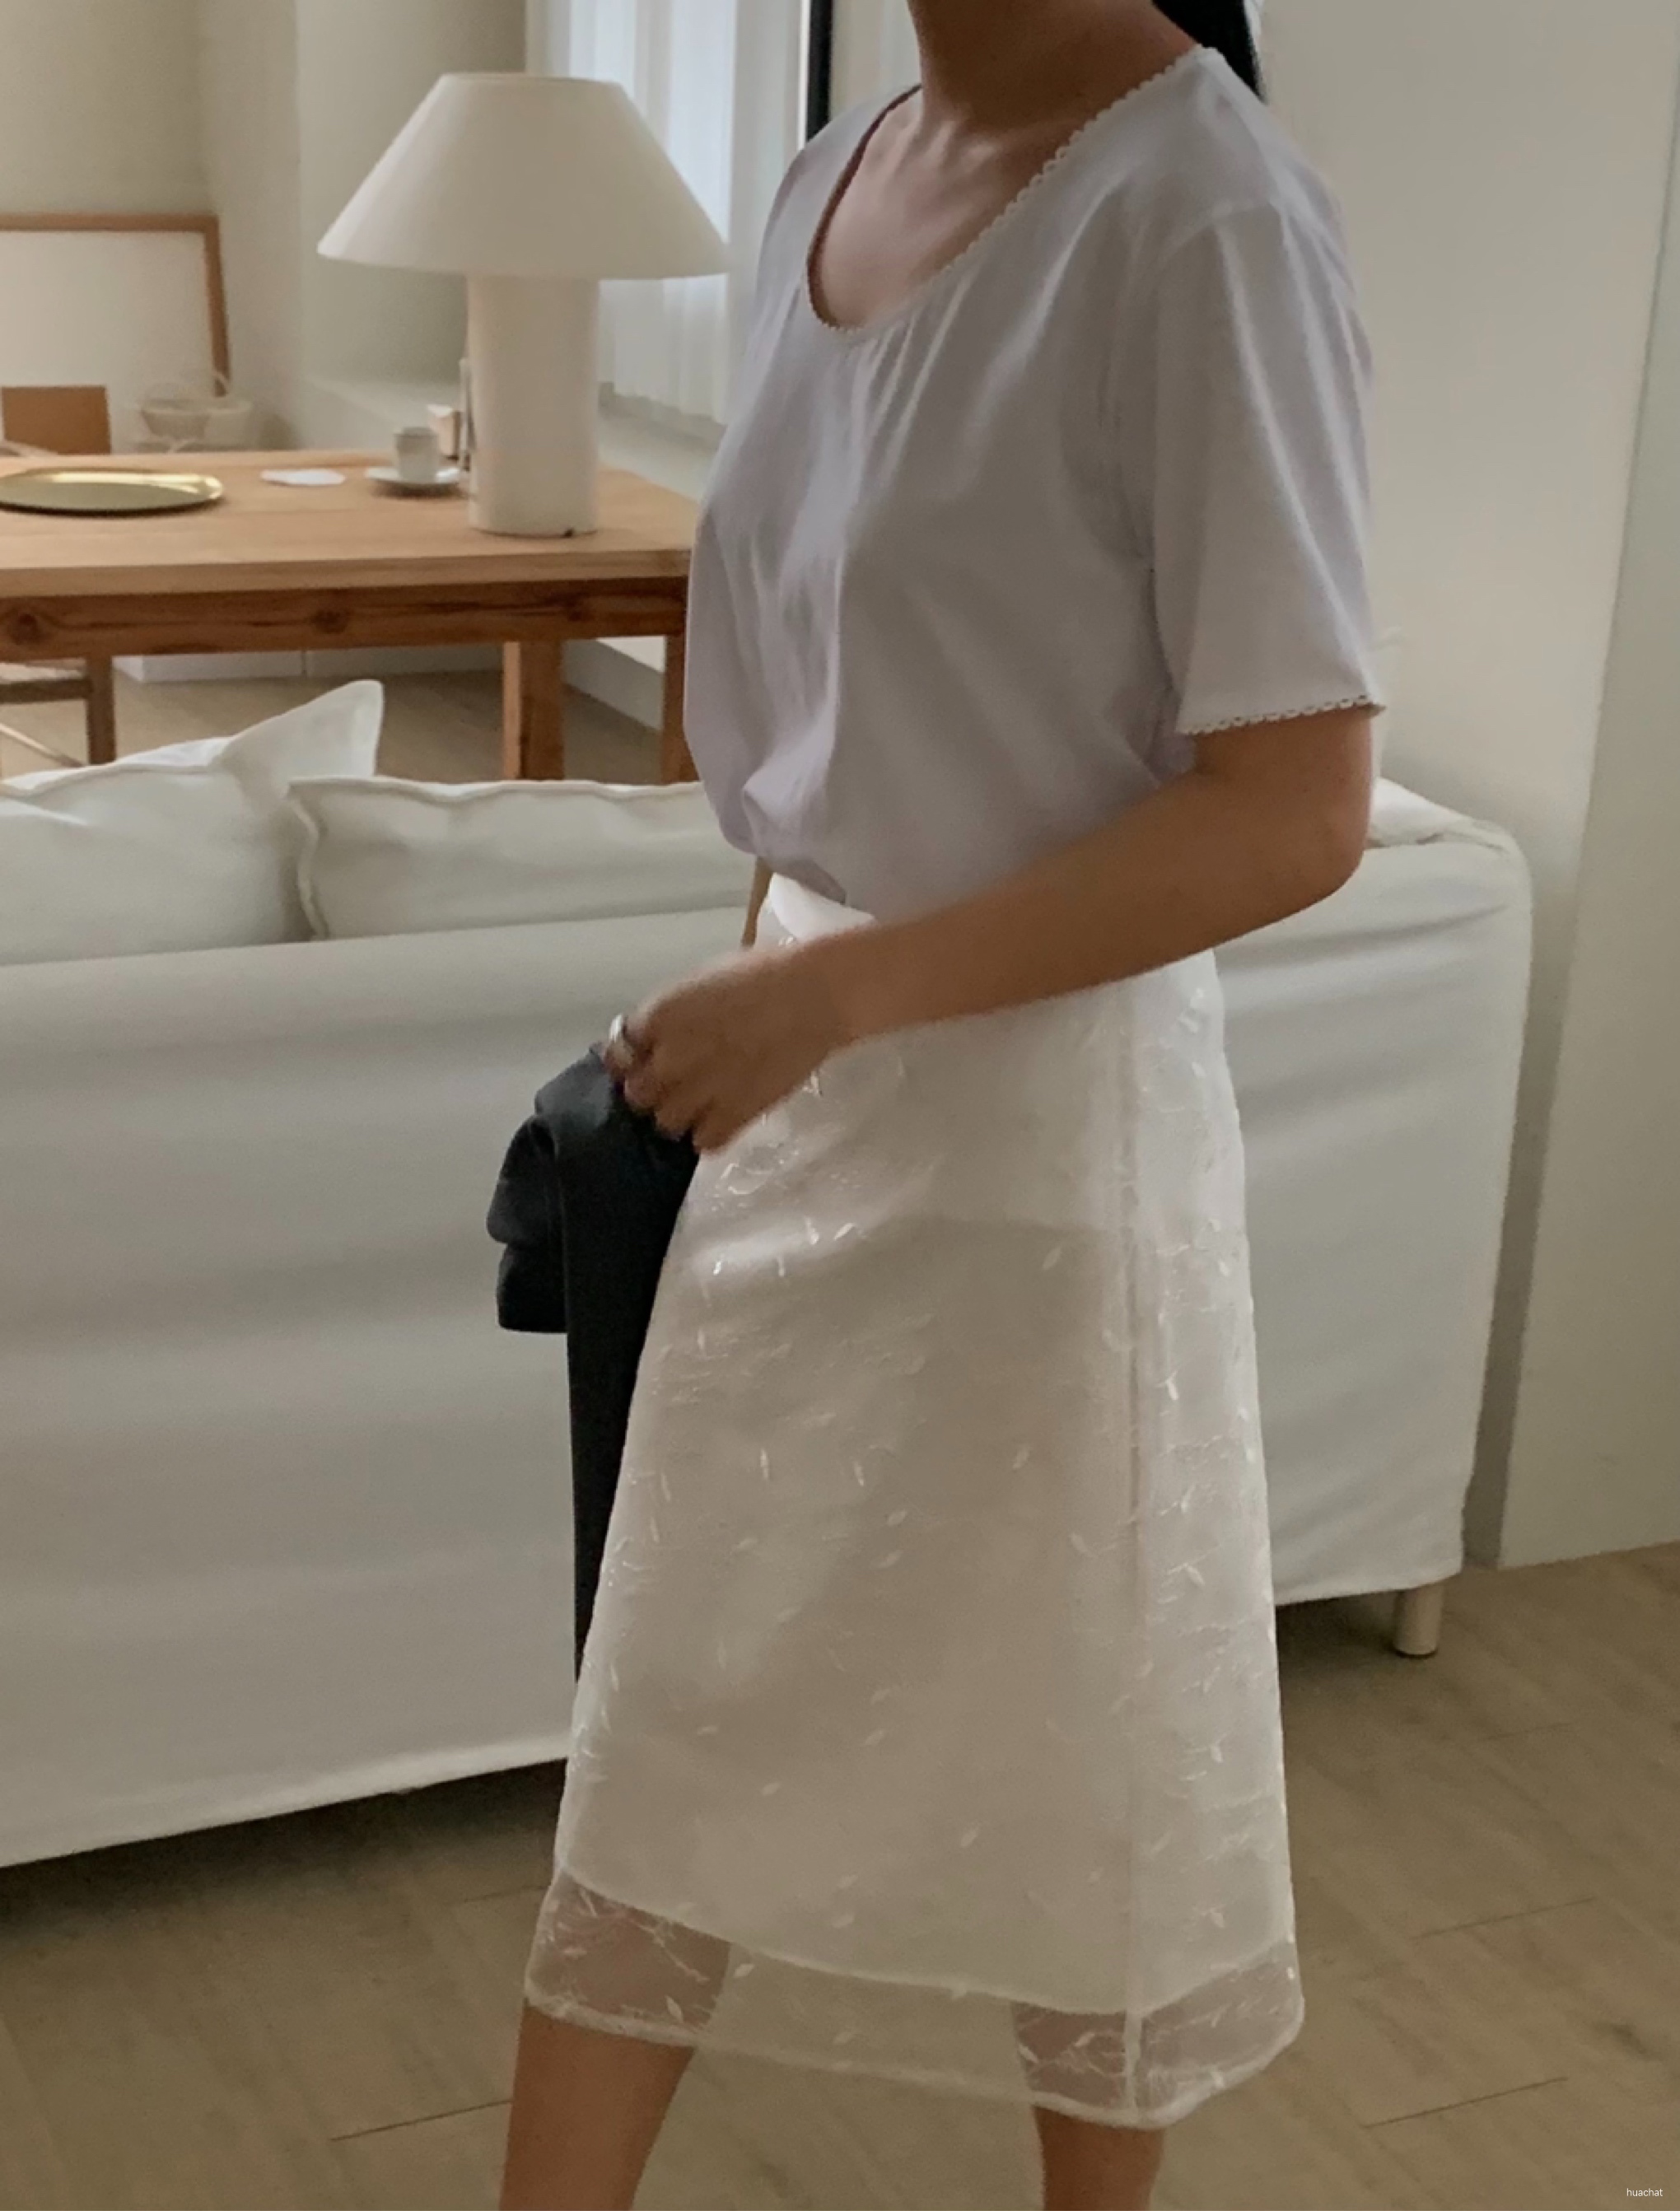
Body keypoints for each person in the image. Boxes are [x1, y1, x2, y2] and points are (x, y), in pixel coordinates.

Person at [501, 2, 1384, 2204]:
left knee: (1091, 1778)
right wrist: (765, 991)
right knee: (668, 1732)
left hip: (1048, 1135)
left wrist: (835, 996)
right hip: (795, 1098)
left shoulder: (1205, 214)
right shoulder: (830, 173)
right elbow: (820, 705)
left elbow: (1295, 808)